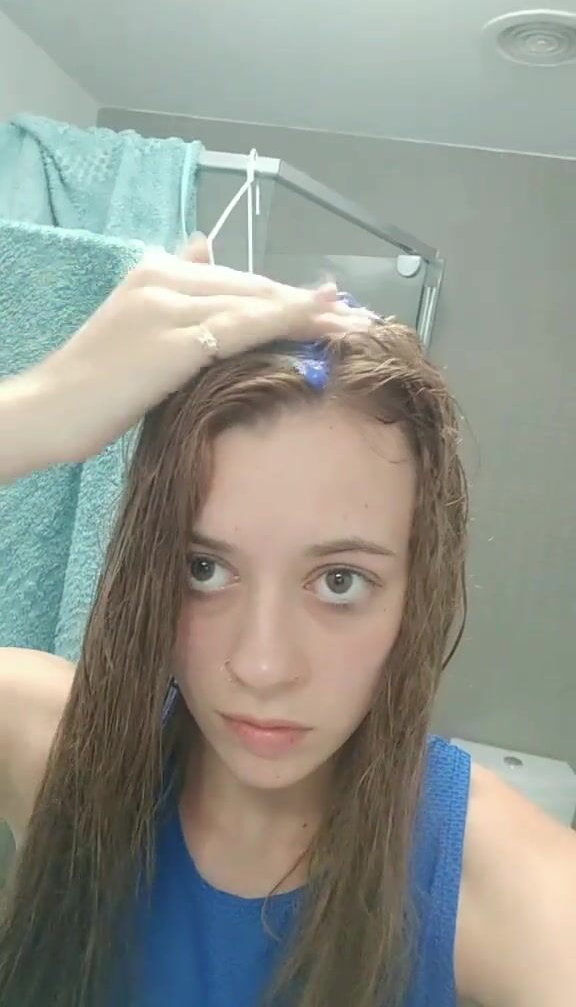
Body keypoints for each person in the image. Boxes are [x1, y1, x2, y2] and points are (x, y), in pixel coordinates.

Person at [0, 239, 574, 1007]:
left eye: (339, 581)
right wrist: (38, 411)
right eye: (204, 568)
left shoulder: (495, 878)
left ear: (416, 590)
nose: (263, 666)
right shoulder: (56, 751)